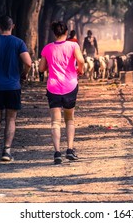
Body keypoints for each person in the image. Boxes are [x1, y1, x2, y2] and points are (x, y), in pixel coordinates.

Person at [0, 15, 31, 162]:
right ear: (12, 26)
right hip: (13, 86)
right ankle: (7, 151)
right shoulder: (19, 43)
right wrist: (23, 75)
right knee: (11, 119)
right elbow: (28, 63)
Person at [39, 21, 85, 164]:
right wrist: (80, 70)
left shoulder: (47, 48)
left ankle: (57, 153)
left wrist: (51, 65)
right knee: (69, 119)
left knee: (55, 122)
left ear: (54, 33)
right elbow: (81, 61)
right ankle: (70, 150)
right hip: (70, 86)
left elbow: (41, 69)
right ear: (66, 32)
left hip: (53, 87)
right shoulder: (73, 45)